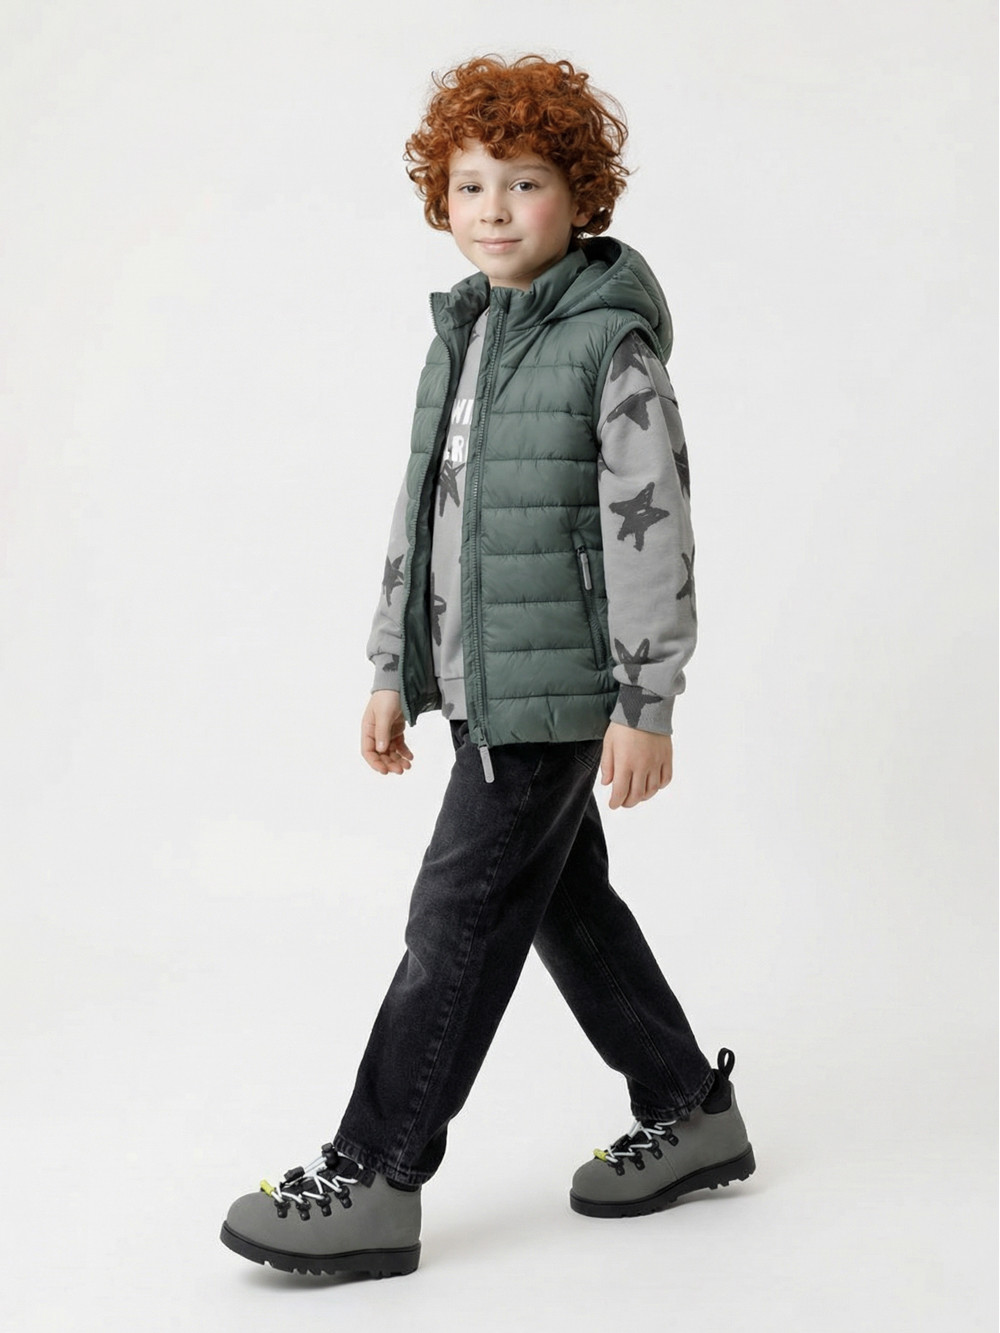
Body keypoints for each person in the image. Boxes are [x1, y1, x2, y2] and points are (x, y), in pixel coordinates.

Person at [220, 53, 754, 1280]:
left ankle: (376, 1170)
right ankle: (690, 1109)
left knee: (454, 917)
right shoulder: (462, 335)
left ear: (580, 198)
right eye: (471, 185)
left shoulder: (609, 345)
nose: (496, 209)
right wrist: (393, 666)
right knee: (561, 900)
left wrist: (646, 697)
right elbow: (424, 515)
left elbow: (653, 529)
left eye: (525, 182)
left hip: (557, 689)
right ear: (440, 200)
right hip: (484, 684)